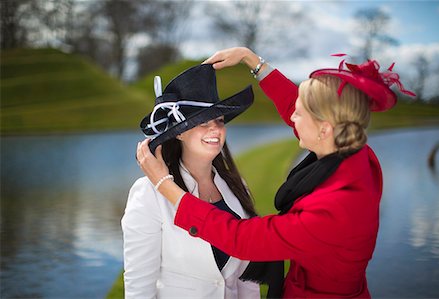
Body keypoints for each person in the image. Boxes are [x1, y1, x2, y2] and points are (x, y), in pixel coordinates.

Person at [135, 47, 415, 298]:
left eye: (299, 113)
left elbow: (240, 239)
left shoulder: (333, 210)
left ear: (324, 129)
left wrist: (164, 184)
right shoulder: (357, 154)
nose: (291, 117)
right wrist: (252, 60)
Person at [122, 63, 261, 298]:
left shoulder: (237, 187)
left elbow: (247, 279)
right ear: (179, 132)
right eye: (203, 123)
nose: (215, 130)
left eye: (219, 120)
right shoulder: (148, 193)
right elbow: (139, 285)